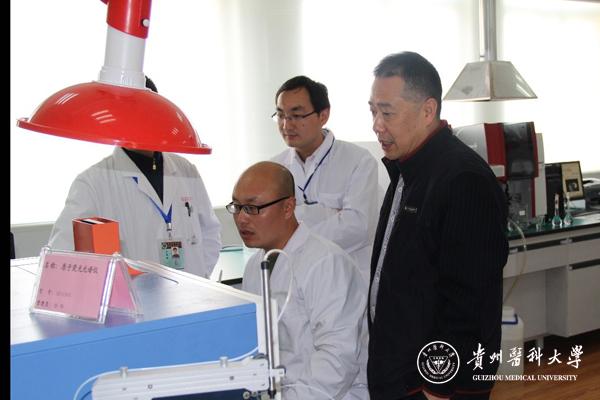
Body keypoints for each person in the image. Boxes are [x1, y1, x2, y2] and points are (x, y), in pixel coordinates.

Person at [367, 52, 508, 400]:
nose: (377, 125)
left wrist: (438, 385)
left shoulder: (462, 179)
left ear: (428, 110)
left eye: (387, 113)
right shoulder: (408, 168)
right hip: (400, 370)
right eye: (372, 111)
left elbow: (468, 301)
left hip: (434, 383)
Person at [48, 77, 222, 278]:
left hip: (193, 290)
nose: (142, 120)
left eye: (149, 110)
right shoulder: (93, 182)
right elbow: (63, 256)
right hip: (136, 295)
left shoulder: (186, 170)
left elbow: (210, 233)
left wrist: (198, 276)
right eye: (132, 111)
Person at [229, 161, 368, 400]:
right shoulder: (255, 264)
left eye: (252, 208)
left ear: (288, 207)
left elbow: (337, 358)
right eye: (237, 207)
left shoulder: (325, 262)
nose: (242, 218)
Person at [270, 75, 379, 283]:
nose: (286, 125)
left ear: (323, 115)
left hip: (347, 279)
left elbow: (357, 227)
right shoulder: (274, 169)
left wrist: (296, 228)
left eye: (297, 115)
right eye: (281, 115)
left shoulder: (358, 161)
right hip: (294, 280)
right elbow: (271, 228)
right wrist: (328, 214)